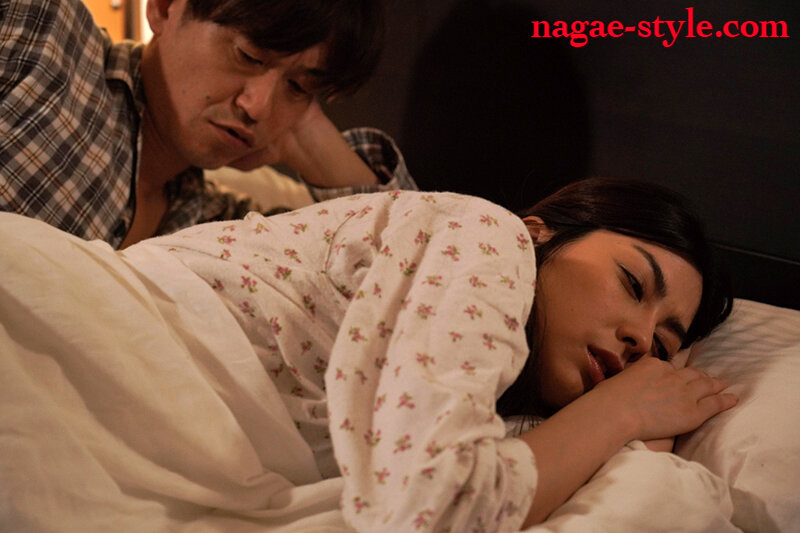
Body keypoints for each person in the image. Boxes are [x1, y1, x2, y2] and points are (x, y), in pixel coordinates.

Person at [0, 178, 736, 531]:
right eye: (633, 283)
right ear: (543, 231)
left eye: (662, 345)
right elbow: (430, 505)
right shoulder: (491, 236)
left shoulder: (502, 405)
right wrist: (619, 411)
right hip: (79, 329)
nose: (640, 340)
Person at [0, 0, 416, 249]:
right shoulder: (43, 33)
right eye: (248, 56)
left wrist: (308, 137)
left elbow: (414, 272)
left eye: (298, 87)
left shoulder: (217, 230)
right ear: (166, 8)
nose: (257, 107)